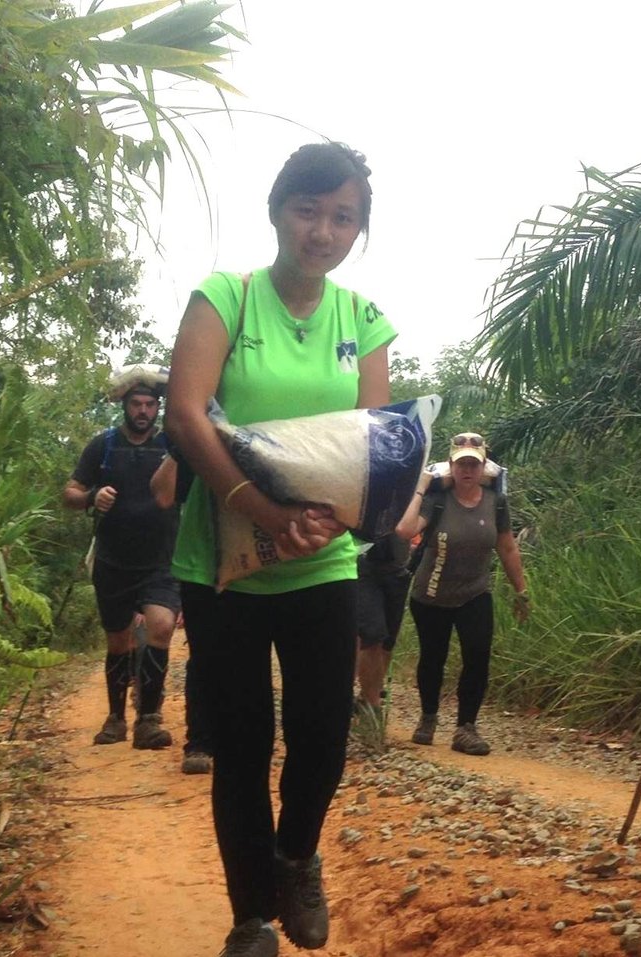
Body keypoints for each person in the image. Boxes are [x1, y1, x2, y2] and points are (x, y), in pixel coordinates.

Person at [164, 142, 395, 957]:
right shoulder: (224, 298)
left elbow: (371, 443)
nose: (322, 230)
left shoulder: (363, 320)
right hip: (221, 565)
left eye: (343, 217)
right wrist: (261, 509)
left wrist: (324, 522)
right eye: (308, 209)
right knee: (244, 741)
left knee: (324, 734)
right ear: (277, 209)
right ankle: (250, 917)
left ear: (358, 229)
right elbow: (187, 416)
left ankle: (296, 855)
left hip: (322, 561)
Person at [64, 374, 211, 768]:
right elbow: (71, 492)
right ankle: (116, 718)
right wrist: (93, 496)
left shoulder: (171, 446)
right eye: (136, 405)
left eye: (149, 405)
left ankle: (148, 718)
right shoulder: (104, 446)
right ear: (125, 407)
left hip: (162, 559)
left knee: (161, 627)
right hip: (113, 560)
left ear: (157, 408)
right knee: (118, 641)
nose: (143, 411)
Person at [397, 432, 530, 757]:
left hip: (475, 592)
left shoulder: (495, 501)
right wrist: (421, 487)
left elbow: (507, 546)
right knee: (433, 658)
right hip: (430, 595)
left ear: (483, 466)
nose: (467, 470)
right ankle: (428, 717)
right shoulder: (437, 500)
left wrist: (522, 591)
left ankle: (466, 728)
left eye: (473, 463)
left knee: (478, 656)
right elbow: (405, 530)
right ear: (451, 467)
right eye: (461, 464)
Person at [352, 532, 412, 747]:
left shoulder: (422, 496)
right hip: (362, 563)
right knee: (372, 635)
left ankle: (367, 696)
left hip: (397, 568)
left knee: (387, 641)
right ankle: (371, 707)